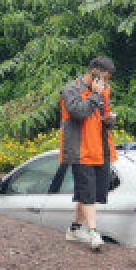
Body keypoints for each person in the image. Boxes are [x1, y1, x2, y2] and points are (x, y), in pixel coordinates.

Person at [51, 56, 117, 251]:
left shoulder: (103, 90)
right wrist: (96, 95)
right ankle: (93, 233)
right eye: (104, 77)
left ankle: (74, 229)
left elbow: (105, 115)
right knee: (87, 191)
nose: (105, 82)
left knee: (91, 192)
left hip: (100, 147)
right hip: (80, 149)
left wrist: (109, 119)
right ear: (94, 71)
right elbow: (78, 112)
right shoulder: (70, 89)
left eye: (107, 79)